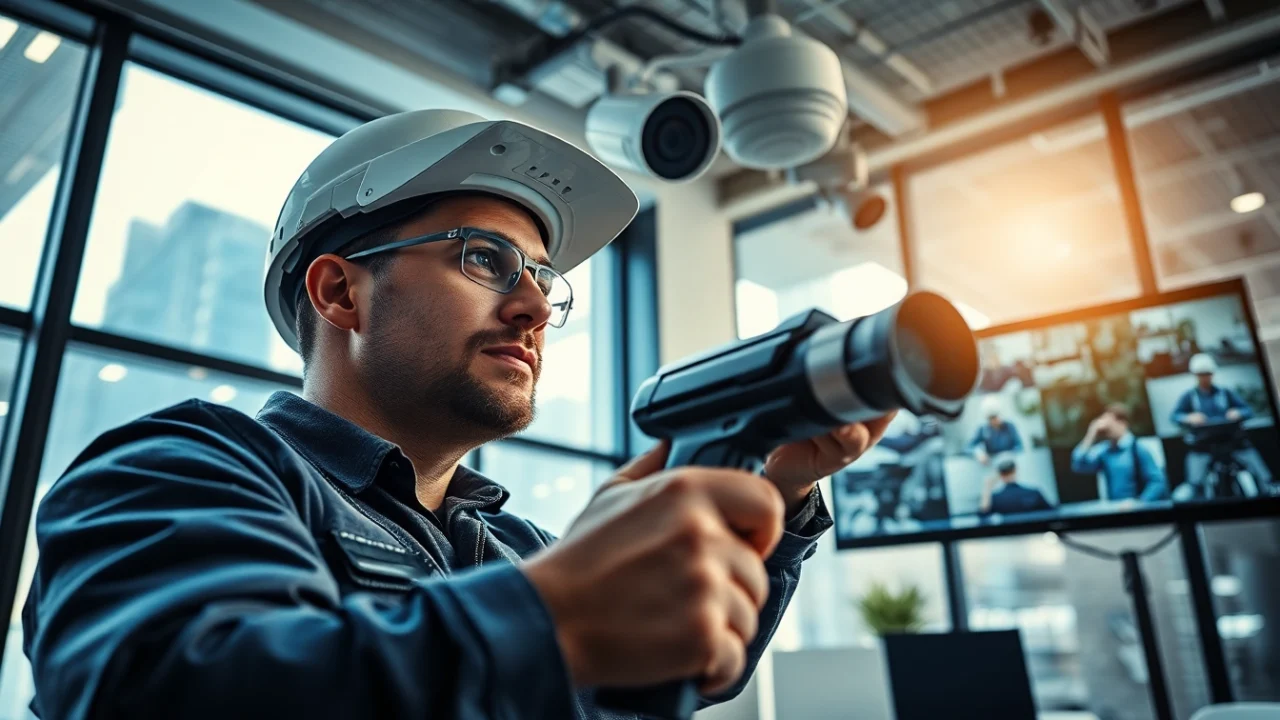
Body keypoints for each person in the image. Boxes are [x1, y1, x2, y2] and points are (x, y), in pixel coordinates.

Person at [21, 110, 894, 719]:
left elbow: (655, 686)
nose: (532, 308)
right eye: (486, 258)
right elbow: (169, 694)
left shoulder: (515, 550)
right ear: (339, 292)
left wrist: (775, 498)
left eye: (546, 281)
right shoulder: (183, 467)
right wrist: (552, 621)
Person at [1171, 353, 1273, 491]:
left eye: (1207, 373)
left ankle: (1268, 489)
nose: (1205, 377)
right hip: (1203, 446)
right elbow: (1174, 416)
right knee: (1193, 484)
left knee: (1263, 475)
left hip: (1233, 442)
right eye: (1201, 374)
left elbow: (1248, 410)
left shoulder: (1225, 392)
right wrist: (1188, 418)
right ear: (1195, 375)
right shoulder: (1189, 396)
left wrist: (1239, 413)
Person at [1071, 403, 1168, 501]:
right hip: (1115, 510)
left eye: (1110, 424)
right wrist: (1091, 433)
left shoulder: (1138, 448)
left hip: (1136, 510)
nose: (1106, 429)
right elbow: (1079, 465)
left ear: (1123, 424)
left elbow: (1157, 482)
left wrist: (1140, 503)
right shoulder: (1104, 451)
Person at [980, 458, 1053, 516]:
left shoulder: (996, 498)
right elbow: (1053, 513)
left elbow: (983, 514)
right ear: (1015, 470)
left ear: (1000, 475)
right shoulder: (1034, 493)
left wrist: (987, 487)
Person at [966, 395, 1024, 465]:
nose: (994, 420)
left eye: (995, 416)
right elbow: (968, 447)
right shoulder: (983, 429)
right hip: (993, 466)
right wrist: (978, 453)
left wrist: (1009, 455)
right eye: (991, 418)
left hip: (1010, 465)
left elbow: (1020, 446)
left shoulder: (1010, 427)